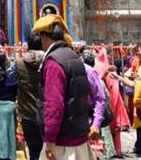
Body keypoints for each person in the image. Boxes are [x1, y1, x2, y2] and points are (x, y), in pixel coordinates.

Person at [32, 14, 100, 160]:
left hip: (62, 143)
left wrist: (49, 139)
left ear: (45, 37)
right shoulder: (74, 57)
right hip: (79, 134)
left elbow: (54, 105)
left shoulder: (54, 63)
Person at [17, 35, 45, 160]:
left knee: (33, 151)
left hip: (27, 113)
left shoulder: (19, 63)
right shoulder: (49, 61)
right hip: (47, 113)